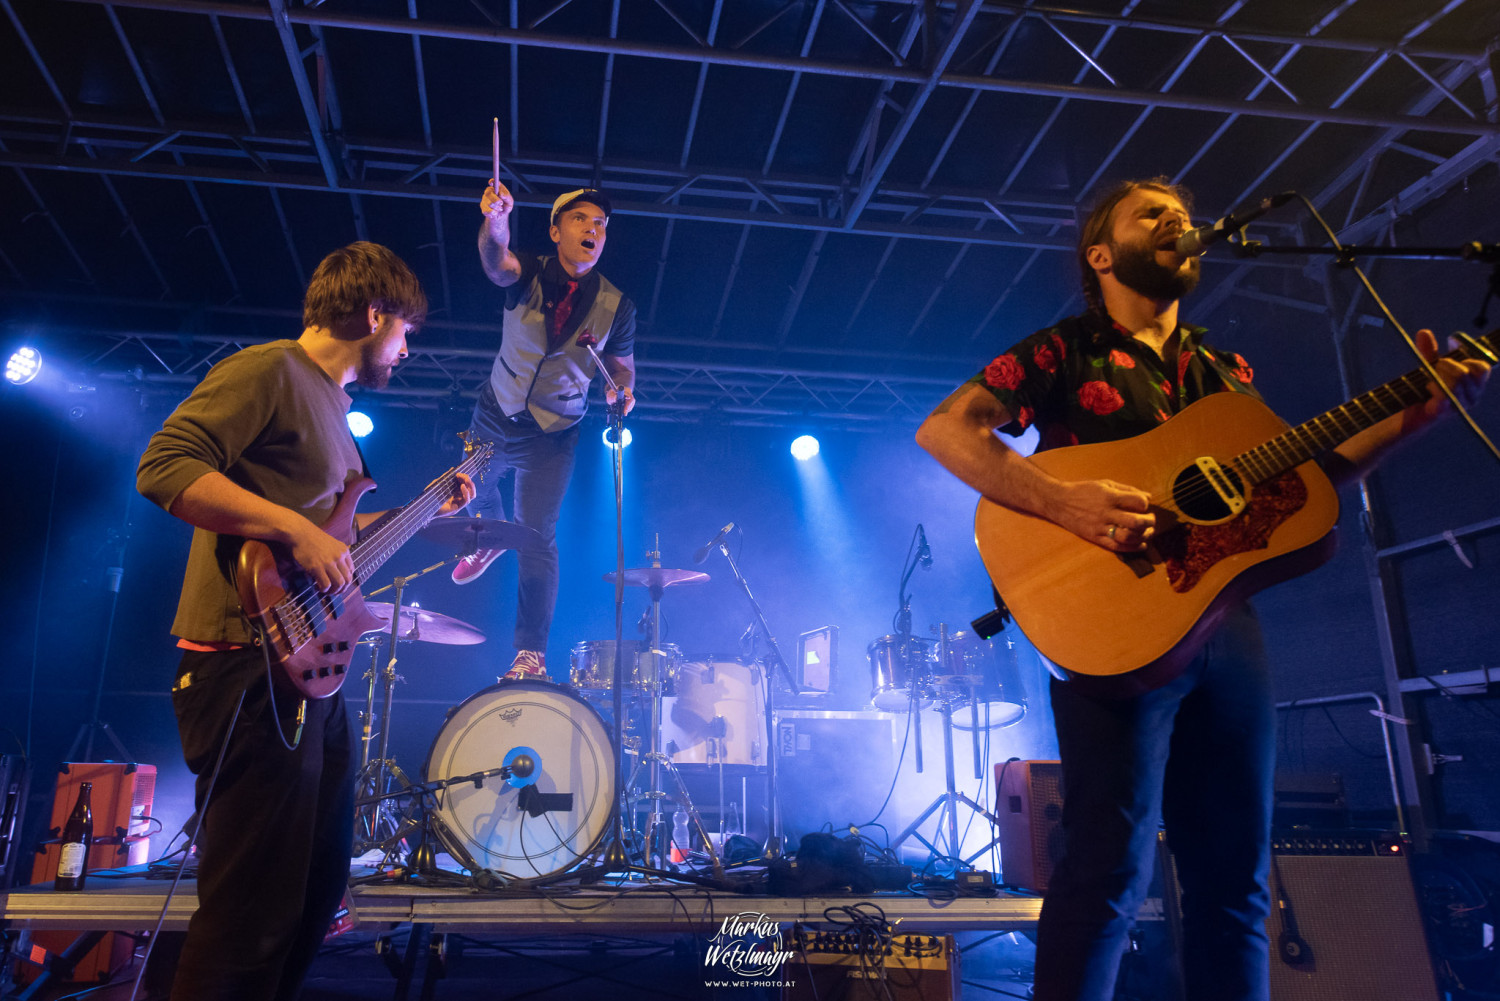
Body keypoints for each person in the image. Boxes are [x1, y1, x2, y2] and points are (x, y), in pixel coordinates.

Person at [915, 178, 1489, 1001]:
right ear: (1101, 253)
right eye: (1150, 212)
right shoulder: (1059, 351)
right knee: (1106, 873)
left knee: (1236, 880)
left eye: (1182, 210)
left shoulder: (1224, 370)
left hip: (1225, 626)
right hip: (1113, 627)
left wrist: (1416, 416)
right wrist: (1066, 501)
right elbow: (946, 428)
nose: (1176, 219)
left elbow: (1305, 482)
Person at [137, 242, 474, 1001]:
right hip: (244, 663)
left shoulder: (336, 415)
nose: (406, 349)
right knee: (248, 915)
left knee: (313, 895)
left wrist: (432, 514)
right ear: (375, 313)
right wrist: (295, 532)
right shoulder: (272, 370)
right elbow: (164, 466)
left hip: (306, 673)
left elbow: (334, 540)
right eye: (407, 332)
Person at [452, 182, 637, 682]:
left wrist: (621, 390)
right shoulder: (528, 270)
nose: (593, 230)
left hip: (554, 432)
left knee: (536, 536)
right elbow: (496, 262)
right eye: (582, 220)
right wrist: (495, 220)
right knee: (474, 491)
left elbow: (621, 367)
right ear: (556, 230)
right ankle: (489, 539)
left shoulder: (616, 305)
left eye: (601, 225)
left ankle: (529, 654)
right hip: (497, 410)